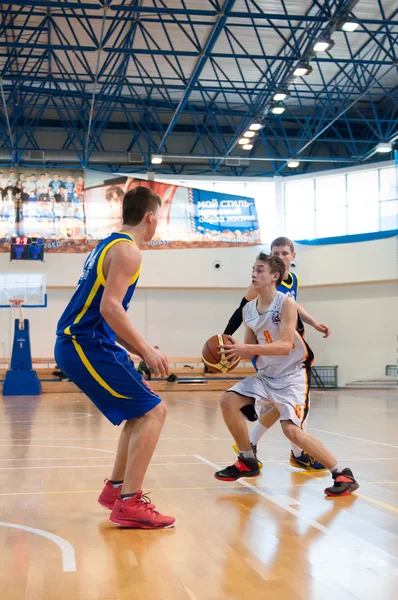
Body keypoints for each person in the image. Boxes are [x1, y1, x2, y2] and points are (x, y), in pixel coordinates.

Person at [54, 186, 176, 529]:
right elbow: (109, 309)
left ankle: (116, 490)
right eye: (158, 219)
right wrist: (146, 350)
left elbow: (109, 311)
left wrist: (142, 349)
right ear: (150, 216)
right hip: (84, 342)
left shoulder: (107, 244)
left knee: (141, 413)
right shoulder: (128, 252)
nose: (158, 226)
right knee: (155, 411)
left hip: (91, 341)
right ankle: (129, 503)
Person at [215, 253, 359, 497]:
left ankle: (342, 473)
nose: (253, 274)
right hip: (267, 374)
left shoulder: (286, 304)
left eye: (260, 270)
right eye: (253, 269)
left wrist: (246, 348)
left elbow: (284, 346)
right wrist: (234, 354)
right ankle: (248, 460)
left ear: (275, 276)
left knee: (291, 431)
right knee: (228, 400)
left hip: (293, 375)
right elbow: (250, 346)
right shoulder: (248, 310)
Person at [224, 236, 331, 471]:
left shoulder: (293, 281)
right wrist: (224, 337)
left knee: (285, 406)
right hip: (268, 350)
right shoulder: (263, 283)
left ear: (293, 256)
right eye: (275, 253)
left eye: (284, 253)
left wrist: (313, 322)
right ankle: (297, 453)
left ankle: (258, 444)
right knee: (291, 406)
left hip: (288, 348)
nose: (279, 257)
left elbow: (295, 306)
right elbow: (240, 311)